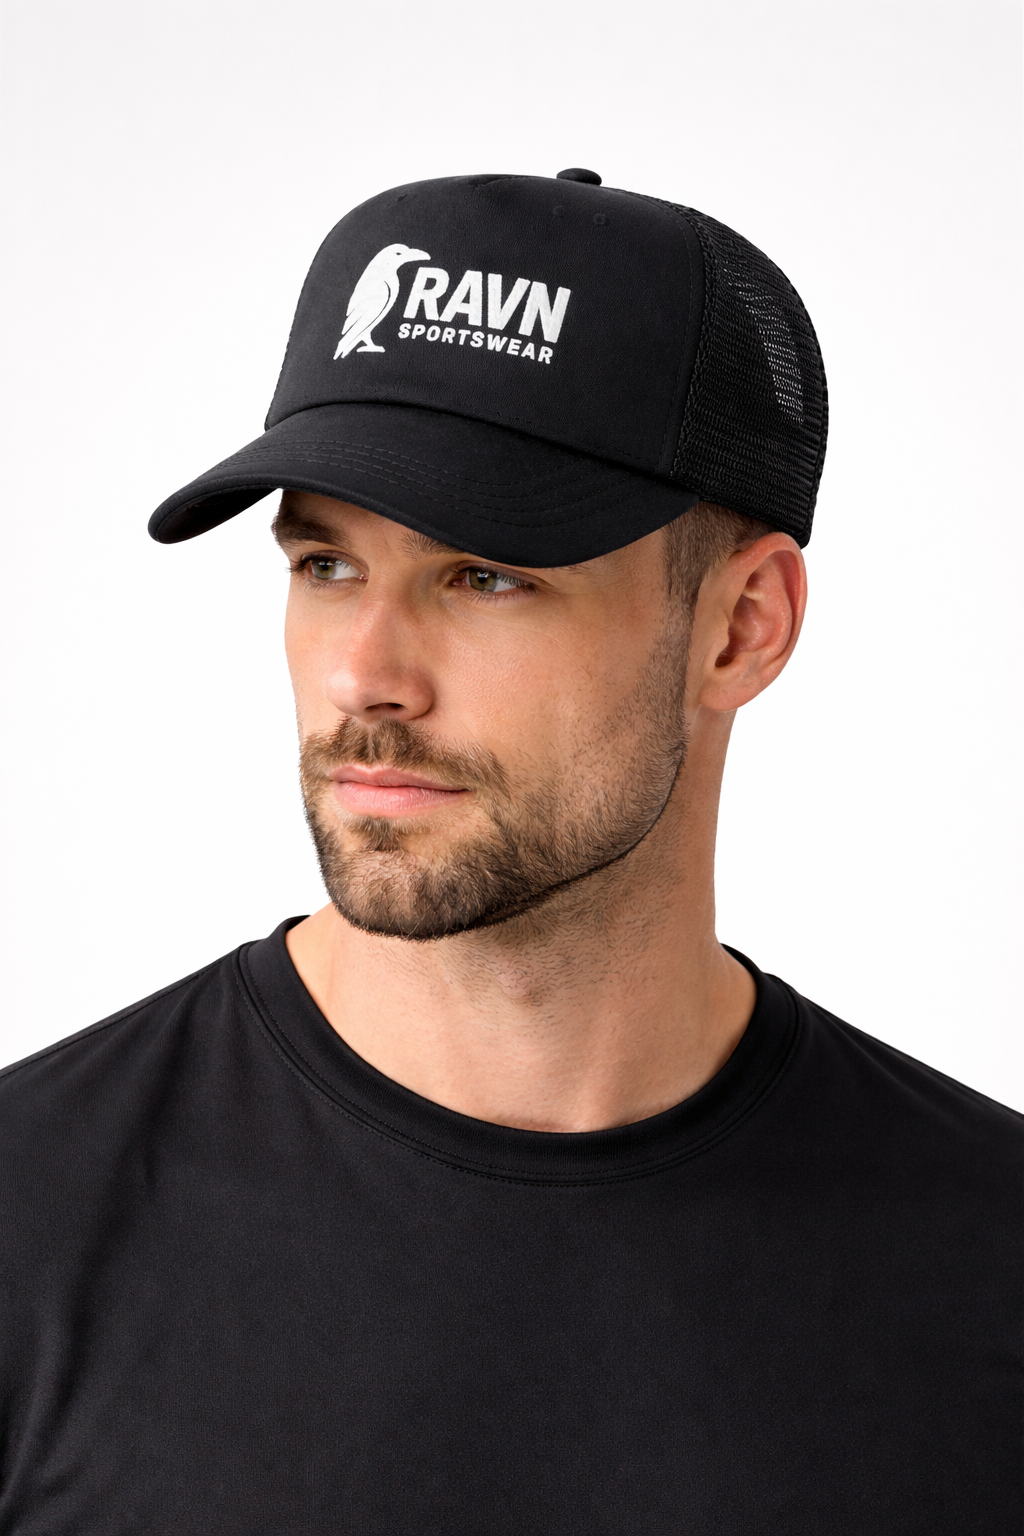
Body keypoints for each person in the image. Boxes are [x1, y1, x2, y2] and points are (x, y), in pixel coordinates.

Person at [0, 169, 1018, 1533]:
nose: (365, 676)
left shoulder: (989, 1266)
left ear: (742, 629)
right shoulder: (30, 1222)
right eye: (325, 565)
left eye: (487, 576)